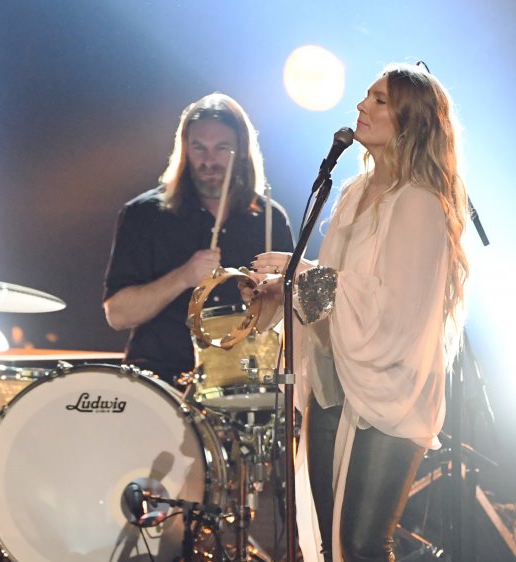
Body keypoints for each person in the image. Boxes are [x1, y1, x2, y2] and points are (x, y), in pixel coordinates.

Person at [252, 63, 469, 561]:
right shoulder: (350, 194)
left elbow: (392, 311)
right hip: (335, 384)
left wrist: (301, 271)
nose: (361, 106)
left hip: (389, 394)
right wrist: (278, 291)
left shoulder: (419, 203)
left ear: (412, 121)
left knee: (364, 545)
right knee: (334, 545)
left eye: (379, 100)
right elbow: (330, 295)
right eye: (366, 96)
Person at [104, 92, 294, 380]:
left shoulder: (270, 218)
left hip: (247, 383)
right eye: (199, 147)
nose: (209, 160)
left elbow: (292, 315)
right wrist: (184, 276)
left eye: (222, 148)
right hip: (161, 381)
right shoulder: (144, 215)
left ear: (242, 151)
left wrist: (268, 298)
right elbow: (117, 314)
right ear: (185, 149)